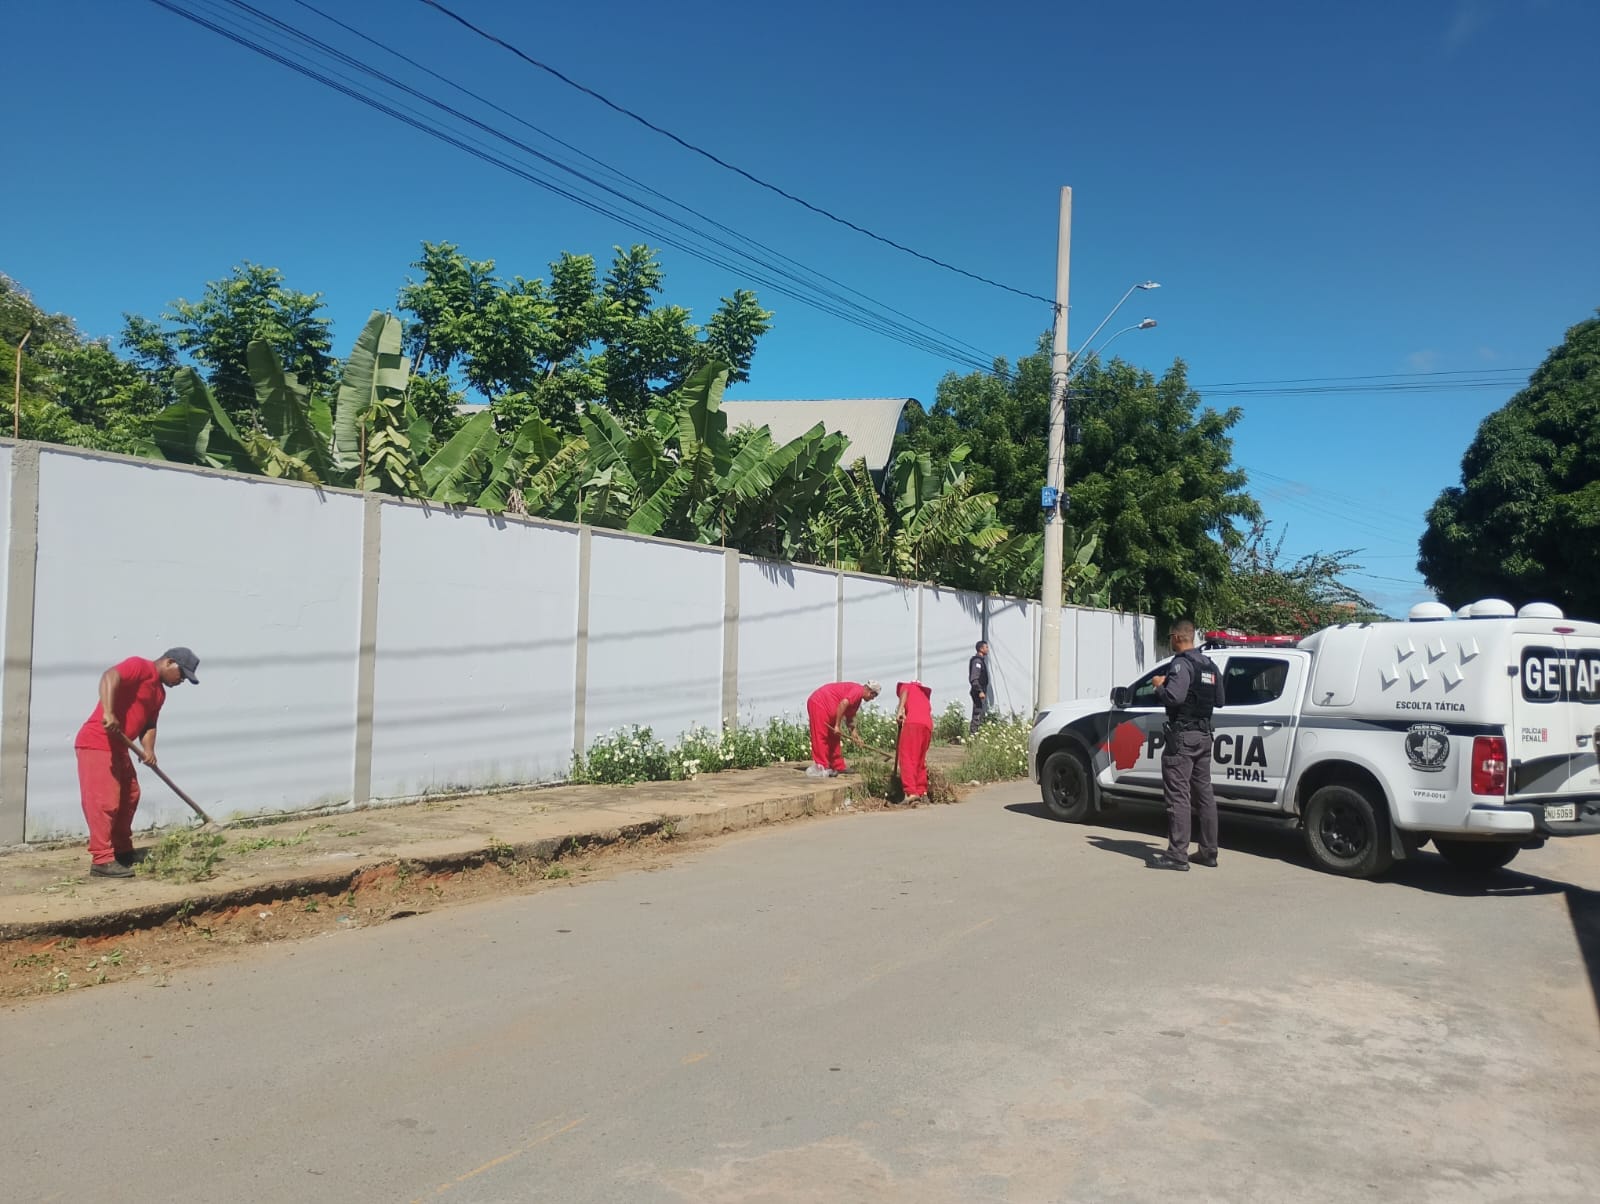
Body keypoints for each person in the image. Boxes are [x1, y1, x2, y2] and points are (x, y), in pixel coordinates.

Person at [74, 648, 200, 878]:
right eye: (181, 674)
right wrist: (109, 712)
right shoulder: (140, 666)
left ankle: (122, 851)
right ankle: (102, 860)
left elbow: (149, 724)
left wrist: (149, 750)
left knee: (130, 796)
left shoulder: (159, 693)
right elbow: (109, 676)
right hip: (97, 742)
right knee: (104, 801)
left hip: (120, 747)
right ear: (169, 662)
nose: (182, 680)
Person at [1146, 620, 1224, 871]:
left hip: (1183, 737)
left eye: (1170, 637)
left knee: (1179, 796)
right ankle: (1209, 852)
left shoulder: (1181, 664)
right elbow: (1220, 700)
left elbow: (1174, 697)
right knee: (1205, 795)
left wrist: (1159, 686)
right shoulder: (1209, 664)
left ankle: (1177, 856)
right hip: (1204, 736)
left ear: (1179, 637)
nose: (1170, 641)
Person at [805, 680, 881, 777]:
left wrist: (854, 734)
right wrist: (837, 725)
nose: (872, 699)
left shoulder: (857, 699)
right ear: (869, 690)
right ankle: (822, 766)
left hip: (829, 707)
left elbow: (850, 716)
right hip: (819, 703)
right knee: (820, 736)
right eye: (873, 696)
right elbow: (843, 704)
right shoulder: (858, 691)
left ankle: (838, 765)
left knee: (835, 736)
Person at [892, 680, 934, 803]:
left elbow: (904, 691)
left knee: (907, 757)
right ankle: (922, 791)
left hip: (913, 724)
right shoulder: (923, 695)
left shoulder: (907, 687)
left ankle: (911, 792)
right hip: (927, 726)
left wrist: (900, 711)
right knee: (919, 760)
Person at [969, 640, 990, 734]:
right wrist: (980, 691)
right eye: (986, 647)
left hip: (979, 691)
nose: (988, 649)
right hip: (977, 692)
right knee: (977, 713)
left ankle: (974, 734)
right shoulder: (977, 661)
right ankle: (973, 735)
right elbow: (974, 678)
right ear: (981, 649)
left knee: (978, 712)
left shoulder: (981, 661)